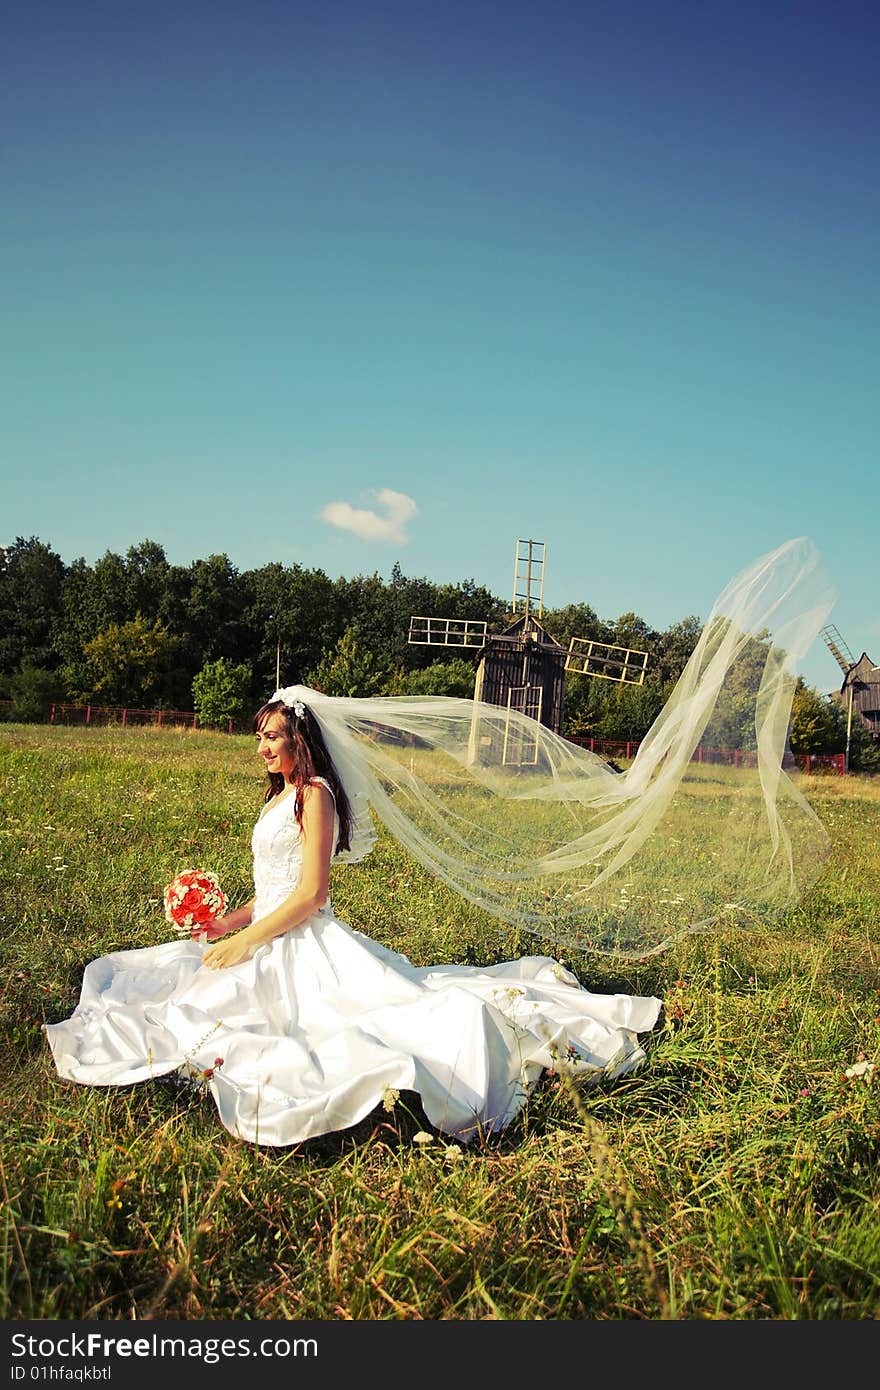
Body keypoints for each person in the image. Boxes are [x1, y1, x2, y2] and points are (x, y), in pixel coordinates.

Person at [44, 688, 662, 1147]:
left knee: (366, 1021)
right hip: (269, 933)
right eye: (260, 737)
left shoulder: (316, 796)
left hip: (305, 942)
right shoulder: (280, 795)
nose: (263, 747)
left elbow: (310, 893)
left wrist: (249, 942)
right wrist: (226, 926)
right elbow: (271, 890)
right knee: (162, 988)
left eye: (274, 737)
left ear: (300, 742)